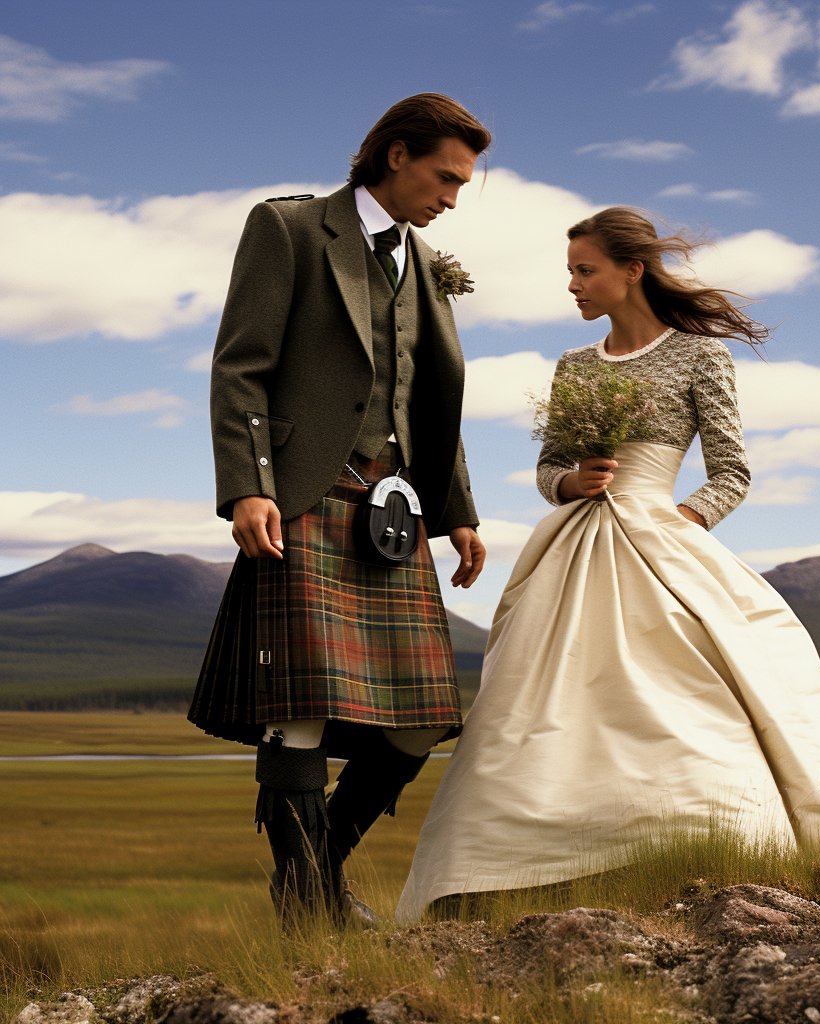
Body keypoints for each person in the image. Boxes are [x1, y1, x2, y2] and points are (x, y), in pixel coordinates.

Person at [396, 207, 820, 923]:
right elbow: (550, 466)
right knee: (536, 704)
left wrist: (682, 521)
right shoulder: (573, 366)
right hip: (572, 547)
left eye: (585, 270)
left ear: (631, 271)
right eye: (570, 272)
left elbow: (732, 471)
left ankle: (714, 847)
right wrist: (570, 484)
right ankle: (516, 871)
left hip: (664, 537)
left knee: (692, 694)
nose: (572, 286)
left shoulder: (700, 355)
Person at [188, 93, 490, 925]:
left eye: (462, 185)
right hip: (308, 498)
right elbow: (240, 366)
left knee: (419, 724)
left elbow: (428, 400)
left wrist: (455, 510)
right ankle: (312, 906)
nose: (452, 197)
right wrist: (248, 483)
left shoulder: (424, 265)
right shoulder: (287, 228)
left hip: (393, 518)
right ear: (395, 155)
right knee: (302, 710)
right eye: (445, 177)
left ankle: (310, 876)